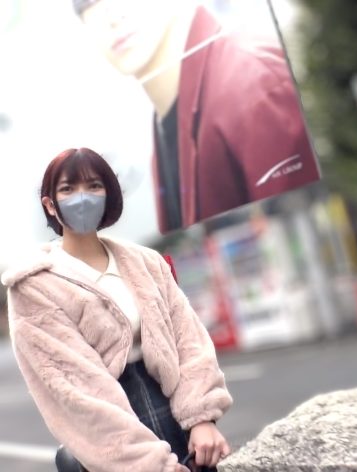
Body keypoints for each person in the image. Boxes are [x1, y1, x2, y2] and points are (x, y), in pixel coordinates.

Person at [1, 148, 233, 471]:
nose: (83, 197)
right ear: (50, 204)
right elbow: (76, 390)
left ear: (108, 194)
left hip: (181, 421)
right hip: (112, 442)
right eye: (68, 189)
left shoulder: (145, 262)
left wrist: (202, 418)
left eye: (94, 186)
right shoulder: (34, 285)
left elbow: (188, 339)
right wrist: (150, 465)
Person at [72, 0, 321, 233]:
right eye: (89, 2)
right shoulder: (162, 131)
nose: (113, 16)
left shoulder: (250, 83)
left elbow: (302, 217)